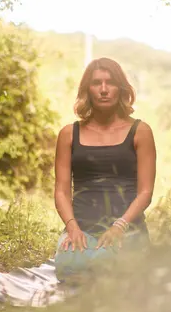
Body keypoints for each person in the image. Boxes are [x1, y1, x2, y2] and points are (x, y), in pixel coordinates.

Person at [54, 57, 156, 282]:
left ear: (121, 89)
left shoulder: (140, 131)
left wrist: (119, 226)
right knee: (69, 267)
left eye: (110, 82)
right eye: (96, 83)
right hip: (81, 231)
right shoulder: (69, 134)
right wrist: (72, 228)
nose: (103, 90)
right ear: (86, 90)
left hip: (126, 232)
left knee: (111, 267)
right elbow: (61, 191)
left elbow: (146, 192)